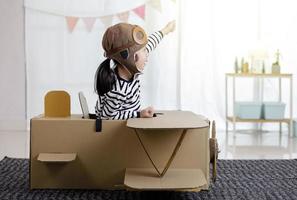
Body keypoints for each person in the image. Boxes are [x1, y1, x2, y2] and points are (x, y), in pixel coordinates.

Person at [94, 21, 175, 120]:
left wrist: (166, 30)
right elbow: (108, 117)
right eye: (144, 51)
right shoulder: (118, 90)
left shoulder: (130, 68)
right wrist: (138, 114)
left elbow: (151, 43)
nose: (147, 54)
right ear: (131, 57)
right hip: (117, 128)